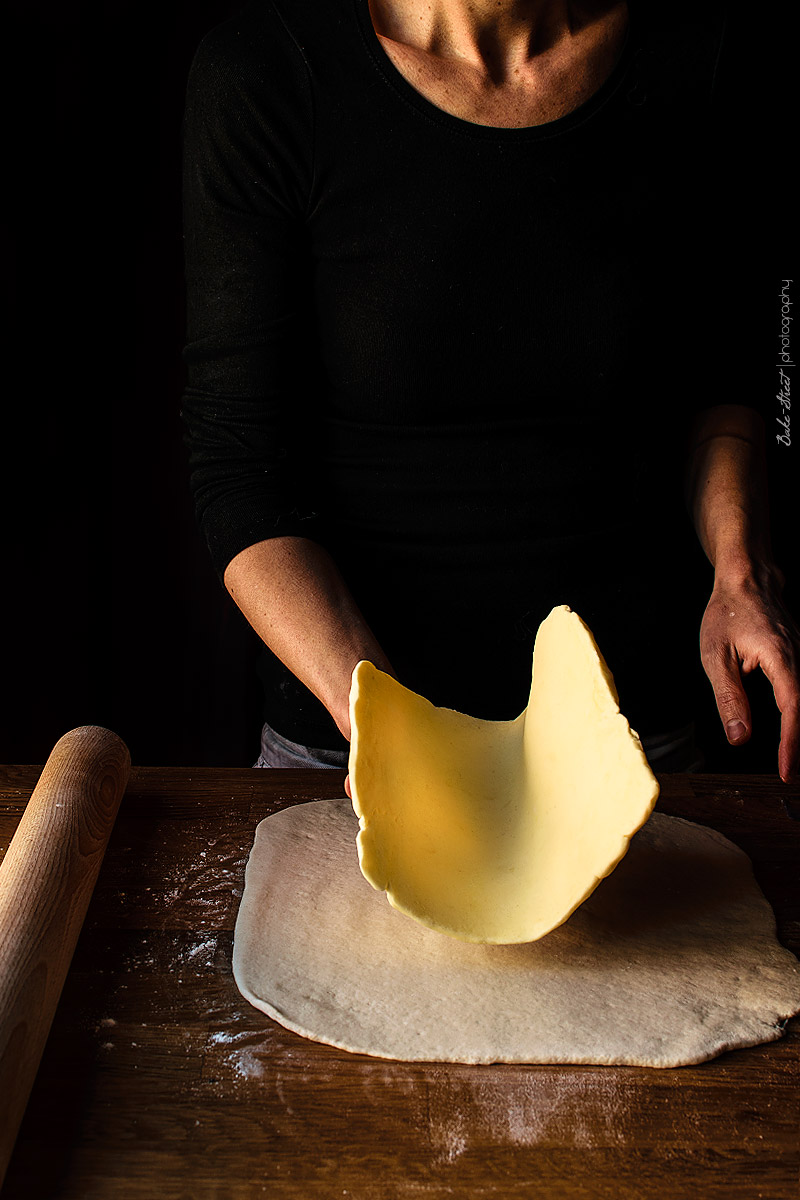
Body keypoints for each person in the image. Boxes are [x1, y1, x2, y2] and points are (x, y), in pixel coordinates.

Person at [181, 0, 799, 781]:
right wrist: (385, 720)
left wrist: (742, 571)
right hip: (358, 747)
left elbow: (736, 378)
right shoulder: (268, 74)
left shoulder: (707, 55)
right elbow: (238, 462)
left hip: (635, 741)